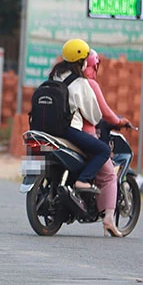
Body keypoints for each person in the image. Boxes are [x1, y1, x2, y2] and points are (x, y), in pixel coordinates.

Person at [50, 40, 116, 233]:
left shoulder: (56, 75)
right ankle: (84, 180)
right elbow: (94, 115)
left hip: (50, 130)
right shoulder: (81, 83)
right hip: (69, 130)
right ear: (83, 61)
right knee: (103, 150)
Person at [83, 49, 132, 238]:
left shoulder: (66, 82)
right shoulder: (90, 85)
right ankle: (109, 220)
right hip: (86, 136)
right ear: (93, 65)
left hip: (67, 135)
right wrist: (119, 121)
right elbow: (106, 113)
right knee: (110, 175)